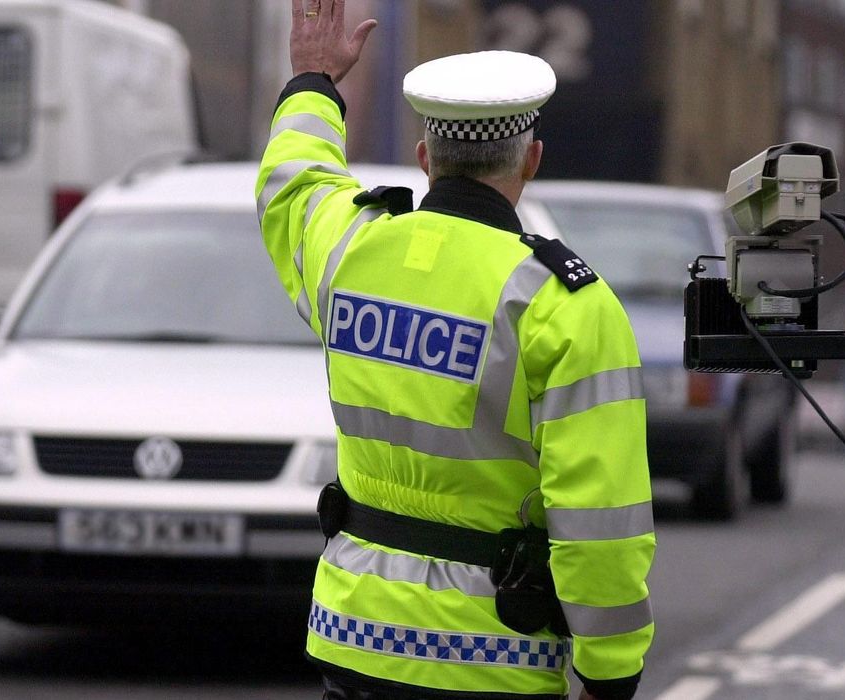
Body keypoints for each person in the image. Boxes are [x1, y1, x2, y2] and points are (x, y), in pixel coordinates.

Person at [257, 1, 654, 698]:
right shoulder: (565, 305)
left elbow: (293, 183)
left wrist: (313, 82)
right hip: (488, 656)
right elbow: (600, 521)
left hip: (353, 638)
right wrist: (609, 672)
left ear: (424, 158)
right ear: (530, 160)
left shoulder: (349, 250)